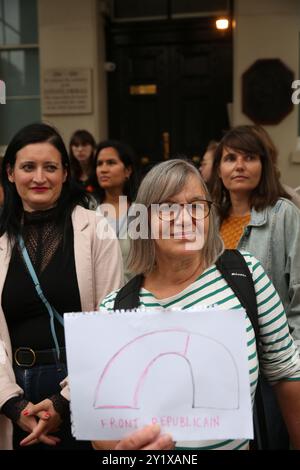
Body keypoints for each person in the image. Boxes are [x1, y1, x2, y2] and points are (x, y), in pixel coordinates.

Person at [91, 158, 300, 451]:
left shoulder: (245, 275)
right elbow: (103, 431)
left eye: (195, 205)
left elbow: (285, 371)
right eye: (167, 208)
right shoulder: (116, 310)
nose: (185, 218)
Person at [0, 123, 123, 450]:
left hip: (83, 384)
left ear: (66, 173)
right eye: (28, 167)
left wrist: (63, 400)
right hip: (16, 392)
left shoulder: (96, 229)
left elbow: (111, 321)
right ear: (11, 173)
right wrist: (12, 405)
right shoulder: (1, 238)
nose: (39, 177)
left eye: (50, 167)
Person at [210, 125, 300, 449]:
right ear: (218, 168)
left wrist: (291, 362)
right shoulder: (208, 220)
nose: (239, 166)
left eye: (250, 157)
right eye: (230, 158)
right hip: (217, 367)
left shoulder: (282, 214)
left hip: (269, 370)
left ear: (264, 165)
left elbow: (298, 296)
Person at [93, 140, 139, 282]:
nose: (103, 169)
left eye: (111, 163)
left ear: (127, 171)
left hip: (135, 296)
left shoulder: (141, 211)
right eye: (99, 164)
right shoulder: (89, 212)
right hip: (99, 298)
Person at [69, 129, 96, 194]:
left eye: (84, 145)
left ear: (92, 147)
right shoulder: (68, 173)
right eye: (76, 145)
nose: (80, 149)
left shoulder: (99, 171)